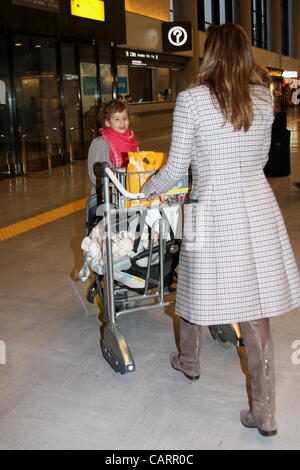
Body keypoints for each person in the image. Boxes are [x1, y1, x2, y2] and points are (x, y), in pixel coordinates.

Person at [142, 24, 300, 437]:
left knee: (193, 287)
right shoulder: (263, 98)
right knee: (255, 304)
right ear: (246, 54)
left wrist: (147, 188)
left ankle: (190, 362)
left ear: (209, 54)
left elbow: (176, 169)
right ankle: (265, 412)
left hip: (207, 205)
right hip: (257, 204)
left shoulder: (192, 100)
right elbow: (262, 158)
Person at [87, 100, 138, 188]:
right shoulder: (100, 143)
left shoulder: (131, 140)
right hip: (108, 196)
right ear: (107, 122)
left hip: (130, 191)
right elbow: (95, 175)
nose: (122, 122)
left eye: (125, 118)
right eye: (117, 119)